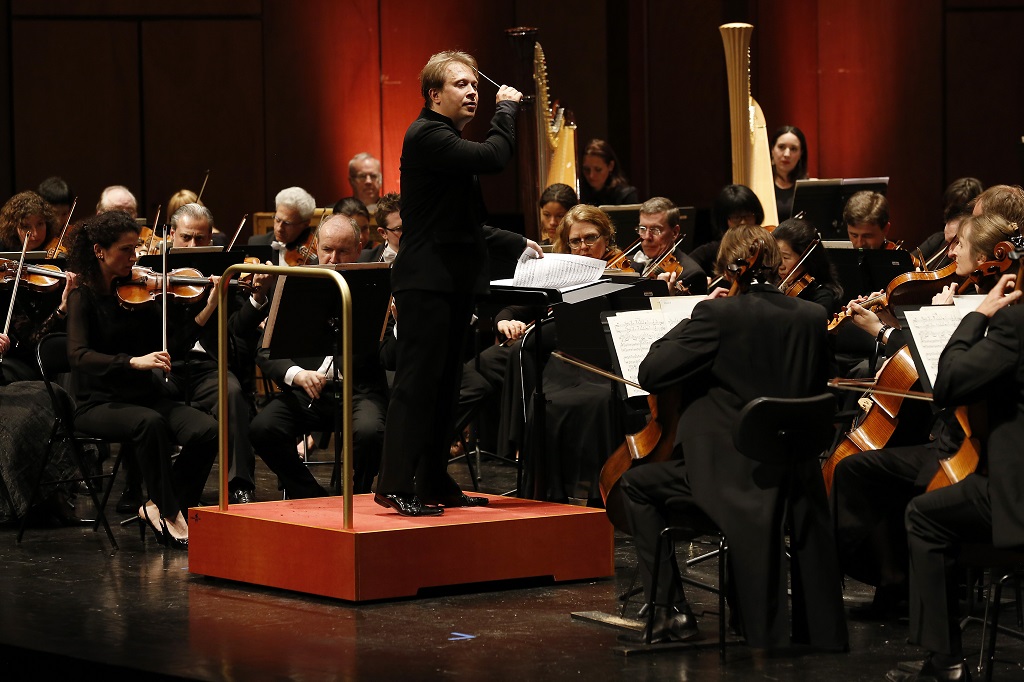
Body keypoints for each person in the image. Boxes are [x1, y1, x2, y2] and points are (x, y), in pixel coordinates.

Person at [618, 224, 847, 650]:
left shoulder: (716, 315)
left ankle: (670, 613)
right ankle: (815, 628)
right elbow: (820, 384)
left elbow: (651, 372)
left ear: (728, 268)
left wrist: (694, 314)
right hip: (796, 471)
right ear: (777, 266)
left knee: (634, 485)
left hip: (731, 474)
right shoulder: (812, 317)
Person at [374, 50, 539, 517]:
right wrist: (506, 108)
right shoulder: (427, 134)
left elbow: (459, 224)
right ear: (434, 94)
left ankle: (430, 479)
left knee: (446, 385)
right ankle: (393, 482)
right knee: (417, 384)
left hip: (449, 281)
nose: (473, 92)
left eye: (475, 86)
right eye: (461, 85)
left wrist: (516, 241)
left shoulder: (444, 141)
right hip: (426, 283)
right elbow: (495, 156)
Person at [834, 212, 1022, 619]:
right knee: (861, 469)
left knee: (870, 476)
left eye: (959, 245)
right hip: (960, 437)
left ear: (990, 255)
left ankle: (904, 589)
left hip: (974, 448)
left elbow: (948, 381)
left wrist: (953, 320)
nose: (950, 253)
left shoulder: (997, 308)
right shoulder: (980, 293)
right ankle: (894, 580)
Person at [885, 272, 1024, 682]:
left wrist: (978, 315)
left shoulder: (1014, 325)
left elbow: (949, 382)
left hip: (1018, 497)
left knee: (924, 515)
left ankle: (946, 661)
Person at [65, 210, 219, 549]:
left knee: (207, 430)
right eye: (125, 250)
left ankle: (162, 505)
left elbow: (172, 345)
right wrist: (132, 362)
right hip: (98, 403)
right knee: (148, 423)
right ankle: (169, 511)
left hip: (144, 397)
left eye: (135, 249)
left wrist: (209, 306)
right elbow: (78, 356)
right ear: (99, 252)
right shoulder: (83, 297)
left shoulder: (139, 294)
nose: (134, 257)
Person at [249, 214, 387, 496]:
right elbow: (265, 349)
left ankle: (358, 495)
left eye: (343, 250)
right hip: (307, 391)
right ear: (317, 247)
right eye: (327, 249)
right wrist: (298, 375)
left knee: (372, 433)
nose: (333, 258)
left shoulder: (377, 284)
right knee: (263, 428)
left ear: (359, 249)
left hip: (359, 391)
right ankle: (311, 494)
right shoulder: (296, 282)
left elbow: (389, 352)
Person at [161, 203, 275, 505]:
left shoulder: (222, 272)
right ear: (172, 234)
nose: (193, 245)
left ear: (211, 239)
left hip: (207, 367)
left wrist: (257, 296)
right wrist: (209, 303)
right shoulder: (157, 274)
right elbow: (172, 341)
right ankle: (145, 488)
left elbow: (238, 327)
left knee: (233, 392)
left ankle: (239, 485)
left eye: (201, 239)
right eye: (186, 237)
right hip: (166, 367)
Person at [0, 191, 76, 383]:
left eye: (40, 224)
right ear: (13, 228)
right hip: (23, 357)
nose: (34, 234)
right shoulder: (7, 270)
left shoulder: (61, 260)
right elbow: (31, 342)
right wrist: (62, 308)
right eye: (26, 226)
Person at [625, 197, 708, 294]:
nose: (647, 237)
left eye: (655, 230)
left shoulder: (692, 275)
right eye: (642, 228)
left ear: (674, 232)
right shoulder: (628, 265)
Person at [689, 184, 764, 277]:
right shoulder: (713, 250)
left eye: (748, 215)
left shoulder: (765, 245)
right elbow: (685, 268)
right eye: (736, 217)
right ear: (724, 219)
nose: (743, 222)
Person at [773, 217, 843, 314]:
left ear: (807, 258)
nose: (780, 265)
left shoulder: (823, 297)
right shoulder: (775, 284)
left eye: (786, 257)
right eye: (776, 256)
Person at [914, 177, 983, 271]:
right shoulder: (939, 239)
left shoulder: (975, 247)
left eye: (962, 206)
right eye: (950, 205)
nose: (950, 253)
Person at [248, 187, 316, 265]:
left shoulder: (314, 249)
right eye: (277, 219)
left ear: (305, 224)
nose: (279, 228)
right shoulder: (257, 243)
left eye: (287, 223)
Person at [579, 139, 638, 206]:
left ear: (610, 166)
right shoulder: (579, 193)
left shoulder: (625, 195)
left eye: (598, 169)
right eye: (586, 169)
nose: (591, 175)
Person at [552, 203, 620, 262]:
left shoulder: (620, 271)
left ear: (606, 239)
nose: (583, 247)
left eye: (590, 238)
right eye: (575, 241)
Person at [770, 125, 808, 221]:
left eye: (793, 149)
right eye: (781, 147)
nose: (787, 154)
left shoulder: (808, 186)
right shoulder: (762, 185)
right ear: (772, 150)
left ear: (801, 154)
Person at [359, 193, 401, 263]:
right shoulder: (362, 259)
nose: (409, 232)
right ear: (383, 233)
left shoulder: (425, 256)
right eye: (399, 229)